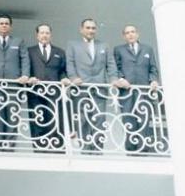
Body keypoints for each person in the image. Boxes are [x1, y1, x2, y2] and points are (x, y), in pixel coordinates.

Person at [66, 18, 118, 152]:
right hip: (81, 88)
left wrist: (113, 79)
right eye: (88, 28)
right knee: (82, 120)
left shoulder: (104, 45)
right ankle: (85, 150)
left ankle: (97, 150)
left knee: (100, 120)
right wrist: (73, 77)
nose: (91, 30)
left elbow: (111, 64)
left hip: (100, 89)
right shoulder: (73, 45)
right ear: (81, 29)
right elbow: (70, 63)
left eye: (93, 28)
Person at [0, 14, 30, 149]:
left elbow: (25, 59)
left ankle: (9, 147)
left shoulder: (19, 41)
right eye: (1, 23)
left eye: (6, 23)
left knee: (12, 118)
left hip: (14, 85)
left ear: (10, 26)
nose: (4, 25)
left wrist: (25, 75)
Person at [114, 24, 159, 153]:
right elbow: (115, 68)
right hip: (126, 92)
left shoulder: (148, 49)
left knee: (144, 120)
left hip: (144, 91)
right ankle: (131, 151)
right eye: (127, 32)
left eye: (133, 32)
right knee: (128, 120)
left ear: (137, 33)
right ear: (124, 36)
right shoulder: (118, 49)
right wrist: (121, 79)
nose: (130, 34)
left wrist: (154, 80)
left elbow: (153, 68)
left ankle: (143, 151)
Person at [27, 23, 70, 152]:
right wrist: (30, 78)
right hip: (35, 92)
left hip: (54, 93)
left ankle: (57, 150)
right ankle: (39, 151)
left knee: (55, 121)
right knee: (37, 121)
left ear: (51, 35)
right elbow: (25, 69)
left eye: (47, 33)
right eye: (42, 33)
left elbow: (63, 70)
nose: (44, 35)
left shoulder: (59, 52)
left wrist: (64, 77)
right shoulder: (30, 51)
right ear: (37, 35)